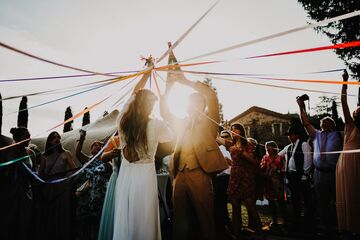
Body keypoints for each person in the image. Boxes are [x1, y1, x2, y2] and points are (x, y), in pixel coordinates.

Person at [161, 46, 227, 240]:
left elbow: (212, 96)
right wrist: (169, 88)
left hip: (200, 172)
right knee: (179, 220)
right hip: (179, 175)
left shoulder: (209, 121)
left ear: (202, 106)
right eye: (190, 103)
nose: (192, 106)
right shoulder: (180, 123)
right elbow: (165, 112)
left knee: (205, 219)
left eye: (196, 103)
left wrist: (186, 81)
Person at [113, 59, 173, 240]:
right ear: (150, 106)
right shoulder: (156, 125)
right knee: (144, 215)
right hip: (145, 175)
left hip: (126, 173)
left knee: (127, 211)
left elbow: (133, 93)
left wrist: (147, 72)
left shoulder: (122, 119)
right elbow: (170, 137)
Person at [297, 95, 342, 234]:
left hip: (334, 172)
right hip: (319, 173)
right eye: (323, 123)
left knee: (337, 201)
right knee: (321, 201)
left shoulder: (340, 135)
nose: (325, 124)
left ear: (333, 125)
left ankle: (339, 226)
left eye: (328, 122)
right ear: (320, 125)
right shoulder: (316, 135)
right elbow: (305, 122)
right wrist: (301, 106)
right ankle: (325, 227)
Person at [35, 131, 76, 240]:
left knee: (61, 212)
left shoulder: (66, 153)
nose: (57, 139)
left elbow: (73, 170)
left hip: (62, 187)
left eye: (58, 137)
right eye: (53, 137)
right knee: (49, 212)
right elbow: (41, 174)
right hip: (48, 187)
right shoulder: (44, 156)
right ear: (49, 141)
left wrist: (67, 180)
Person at [227, 123, 262, 238]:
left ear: (241, 131)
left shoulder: (247, 143)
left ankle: (260, 233)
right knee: (235, 206)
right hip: (234, 176)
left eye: (235, 129)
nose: (233, 131)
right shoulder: (231, 144)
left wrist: (240, 150)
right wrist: (229, 161)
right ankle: (236, 233)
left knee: (250, 206)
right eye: (232, 130)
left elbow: (252, 160)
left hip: (245, 177)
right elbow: (235, 161)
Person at [336, 70, 360, 238]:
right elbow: (343, 102)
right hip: (347, 164)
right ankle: (350, 227)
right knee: (349, 195)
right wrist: (345, 83)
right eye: (357, 112)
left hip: (356, 164)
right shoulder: (350, 125)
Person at [0, 127, 36, 240]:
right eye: (26, 136)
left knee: (24, 221)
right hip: (9, 190)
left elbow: (34, 173)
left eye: (29, 135)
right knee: (8, 220)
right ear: (18, 138)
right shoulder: (6, 151)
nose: (29, 138)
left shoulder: (31, 153)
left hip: (25, 192)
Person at [75, 130, 109, 240]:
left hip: (100, 196)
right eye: (95, 145)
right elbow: (78, 153)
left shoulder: (106, 161)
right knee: (83, 221)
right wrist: (82, 138)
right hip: (86, 195)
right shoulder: (88, 160)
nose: (98, 147)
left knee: (97, 221)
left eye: (100, 146)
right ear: (91, 149)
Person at [278, 125, 314, 230]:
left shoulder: (303, 145)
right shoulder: (288, 147)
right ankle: (297, 221)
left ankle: (310, 222)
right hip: (292, 176)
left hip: (301, 176)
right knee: (295, 200)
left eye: (291, 135)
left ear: (296, 135)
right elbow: (279, 155)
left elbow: (308, 160)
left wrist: (305, 175)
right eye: (289, 135)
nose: (289, 137)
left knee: (306, 199)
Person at [98, 134, 121, 240]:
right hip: (117, 179)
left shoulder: (137, 137)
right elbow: (103, 157)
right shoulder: (115, 139)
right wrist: (112, 153)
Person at [260, 141, 286, 228]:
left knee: (281, 201)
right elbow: (262, 168)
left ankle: (285, 220)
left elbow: (283, 170)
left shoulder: (280, 158)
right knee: (271, 202)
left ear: (274, 147)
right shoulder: (265, 157)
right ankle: (274, 220)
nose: (268, 148)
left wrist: (277, 171)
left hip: (277, 182)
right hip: (268, 182)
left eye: (270, 146)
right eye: (266, 147)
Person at [214, 129, 233, 239]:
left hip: (233, 177)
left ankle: (233, 227)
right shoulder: (219, 149)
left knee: (234, 204)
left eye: (226, 136)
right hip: (221, 178)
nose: (224, 138)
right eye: (223, 136)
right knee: (221, 204)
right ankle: (225, 227)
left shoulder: (233, 149)